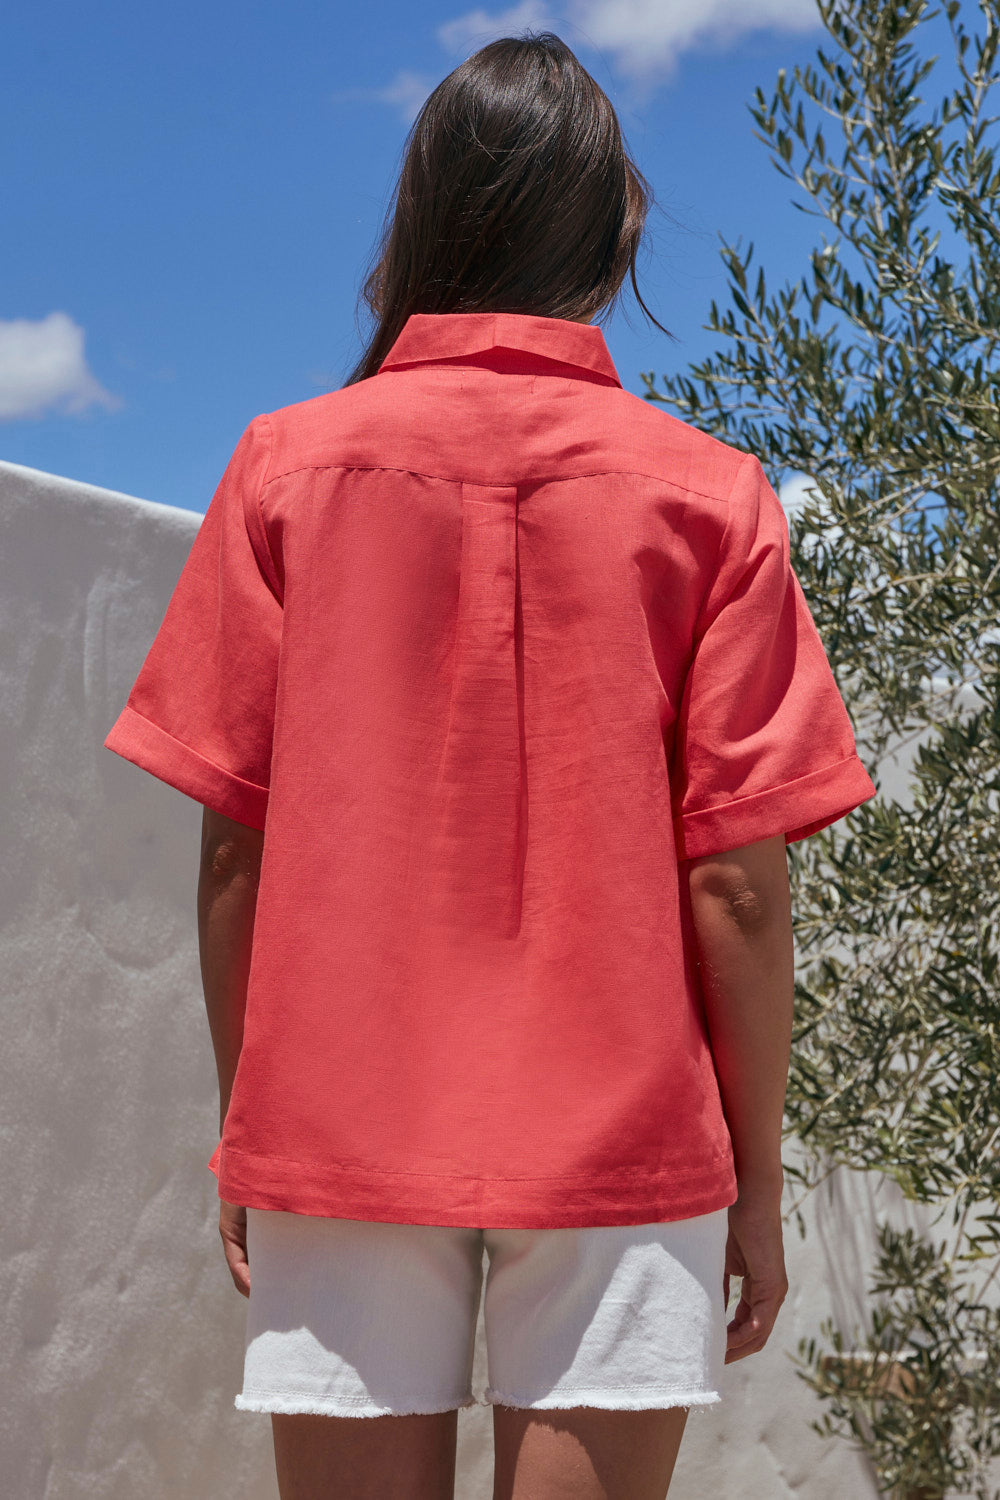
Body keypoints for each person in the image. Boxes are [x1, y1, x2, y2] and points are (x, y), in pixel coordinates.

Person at [104, 29, 877, 1500]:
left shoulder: (282, 471)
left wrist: (247, 1130)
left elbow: (233, 851)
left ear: (423, 225)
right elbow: (739, 890)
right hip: (624, 1144)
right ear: (612, 236)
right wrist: (758, 1184)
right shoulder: (712, 504)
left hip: (339, 1119)